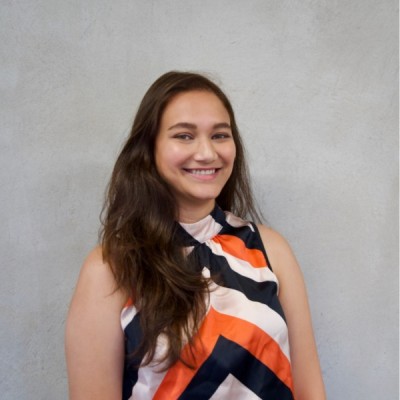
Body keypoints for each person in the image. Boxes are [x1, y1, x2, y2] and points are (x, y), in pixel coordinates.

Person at [65, 71, 326, 400]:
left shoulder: (271, 249)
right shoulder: (110, 267)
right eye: (184, 136)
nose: (206, 153)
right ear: (149, 149)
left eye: (220, 135)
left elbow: (310, 390)